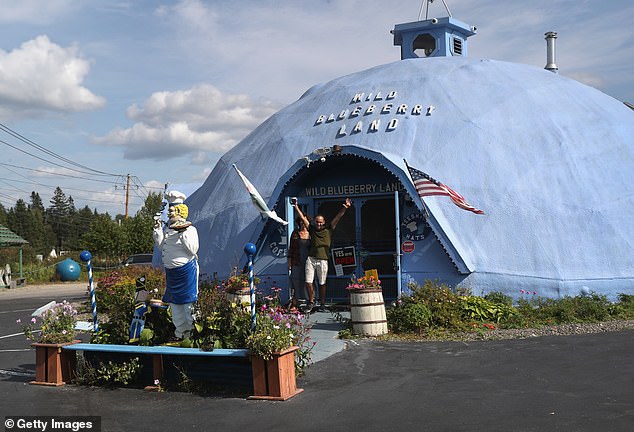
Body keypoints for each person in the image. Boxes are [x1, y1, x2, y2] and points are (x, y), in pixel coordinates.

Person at [153, 190, 199, 342]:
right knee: (175, 305)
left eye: (173, 211)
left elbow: (193, 249)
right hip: (172, 274)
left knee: (188, 303)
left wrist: (182, 232)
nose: (170, 213)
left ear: (181, 211)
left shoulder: (190, 229)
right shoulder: (168, 230)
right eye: (169, 210)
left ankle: (192, 333)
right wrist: (158, 230)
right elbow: (162, 247)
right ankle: (180, 333)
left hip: (186, 272)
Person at [293, 198, 351, 313]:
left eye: (321, 222)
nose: (319, 224)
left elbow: (337, 218)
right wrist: (296, 207)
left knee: (322, 283)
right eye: (317, 221)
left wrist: (345, 207)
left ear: (324, 222)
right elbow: (304, 220)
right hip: (311, 259)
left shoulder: (329, 230)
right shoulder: (312, 229)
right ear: (315, 221)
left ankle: (323, 304)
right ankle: (311, 302)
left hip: (323, 260)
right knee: (308, 282)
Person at [287, 215, 311, 310]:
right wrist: (289, 262)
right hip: (297, 260)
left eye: (304, 220)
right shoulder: (295, 233)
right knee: (296, 281)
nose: (302, 222)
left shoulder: (311, 233)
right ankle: (295, 302)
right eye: (300, 221)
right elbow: (291, 249)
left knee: (308, 281)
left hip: (309, 261)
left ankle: (309, 301)